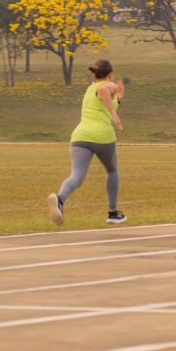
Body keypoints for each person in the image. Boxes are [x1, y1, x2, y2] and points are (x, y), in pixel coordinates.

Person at [47, 60, 126, 226]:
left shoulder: (90, 89)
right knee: (112, 170)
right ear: (110, 75)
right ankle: (112, 212)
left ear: (94, 74)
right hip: (102, 136)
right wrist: (115, 117)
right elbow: (104, 90)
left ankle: (59, 200)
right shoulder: (106, 85)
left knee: (77, 176)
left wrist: (119, 98)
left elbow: (105, 100)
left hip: (80, 136)